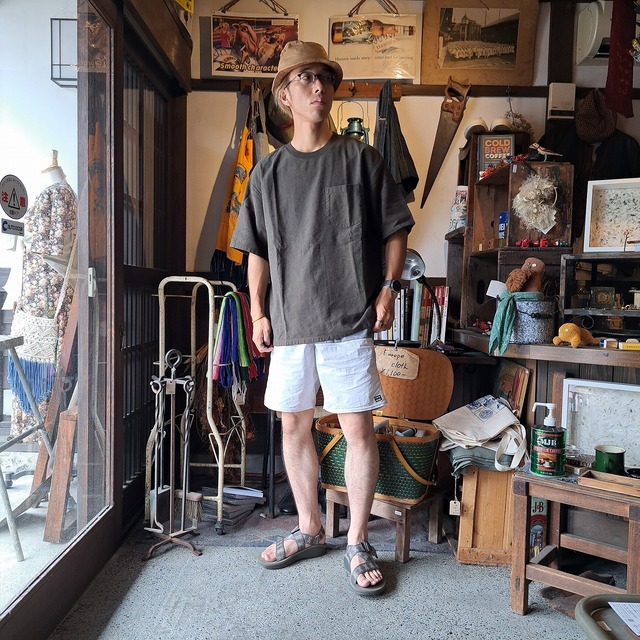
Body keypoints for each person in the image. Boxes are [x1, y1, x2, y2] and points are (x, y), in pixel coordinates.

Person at [230, 41, 414, 596]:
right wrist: (257, 310)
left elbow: (395, 229)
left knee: (357, 427)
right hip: (289, 320)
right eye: (306, 78)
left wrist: (388, 289)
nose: (318, 87)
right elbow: (257, 250)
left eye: (325, 79)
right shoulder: (267, 173)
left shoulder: (362, 159)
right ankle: (310, 527)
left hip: (349, 317)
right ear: (284, 95)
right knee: (293, 424)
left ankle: (357, 539)